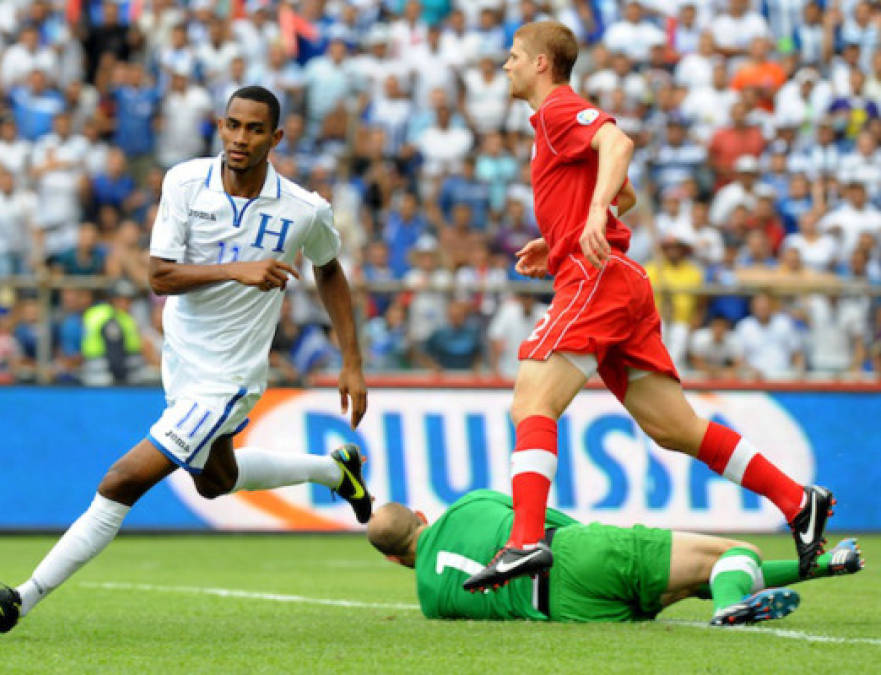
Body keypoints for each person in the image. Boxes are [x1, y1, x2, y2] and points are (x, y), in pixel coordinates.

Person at [0, 87, 370, 635]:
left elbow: (329, 269)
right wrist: (239, 269)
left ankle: (22, 596)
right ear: (220, 126)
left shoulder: (305, 209)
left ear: (275, 138)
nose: (239, 138)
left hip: (229, 377)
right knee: (216, 480)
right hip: (180, 363)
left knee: (121, 481)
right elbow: (159, 276)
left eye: (254, 129)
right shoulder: (185, 182)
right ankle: (335, 470)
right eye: (232, 125)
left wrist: (351, 360)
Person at [463, 22, 833, 593]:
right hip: (615, 278)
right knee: (674, 427)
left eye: (513, 56)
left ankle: (526, 541)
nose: (505, 65)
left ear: (541, 63)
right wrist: (562, 234)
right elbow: (624, 191)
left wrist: (589, 222)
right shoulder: (548, 126)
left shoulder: (561, 108)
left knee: (531, 400)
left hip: (597, 279)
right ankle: (797, 500)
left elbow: (619, 144)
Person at [367, 490, 863, 624]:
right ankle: (725, 609)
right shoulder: (470, 504)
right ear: (420, 515)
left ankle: (828, 565)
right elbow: (550, 521)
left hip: (568, 613)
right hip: (576, 555)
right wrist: (596, 550)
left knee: (694, 577)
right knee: (736, 553)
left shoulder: (430, 600)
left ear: (394, 561)